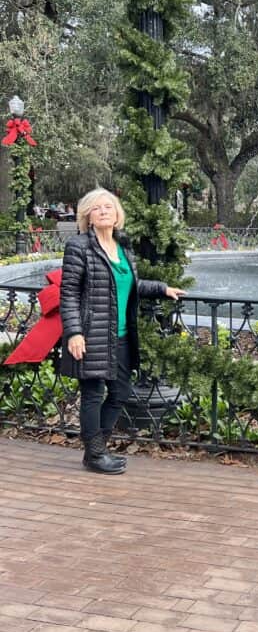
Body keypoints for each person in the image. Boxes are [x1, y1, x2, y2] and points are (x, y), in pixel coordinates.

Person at [60, 188, 185, 474]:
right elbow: (67, 294)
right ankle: (94, 453)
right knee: (92, 394)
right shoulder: (79, 247)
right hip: (91, 334)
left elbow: (128, 285)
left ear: (117, 215)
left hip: (121, 336)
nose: (104, 211)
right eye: (97, 208)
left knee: (120, 392)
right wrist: (74, 332)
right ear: (88, 216)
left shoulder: (123, 248)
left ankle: (97, 449)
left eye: (109, 207)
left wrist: (161, 288)